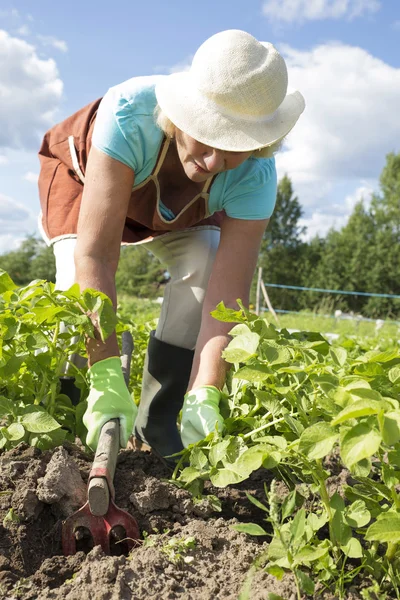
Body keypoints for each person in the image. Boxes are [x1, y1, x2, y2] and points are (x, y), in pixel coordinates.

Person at [37, 29, 305, 460]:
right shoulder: (130, 115)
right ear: (184, 114)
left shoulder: (254, 175)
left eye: (235, 147)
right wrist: (107, 374)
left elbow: (227, 297)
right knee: (74, 274)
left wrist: (207, 392)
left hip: (173, 213)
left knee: (202, 260)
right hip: (84, 181)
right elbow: (97, 254)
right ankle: (70, 407)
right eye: (209, 134)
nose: (215, 161)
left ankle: (158, 419)